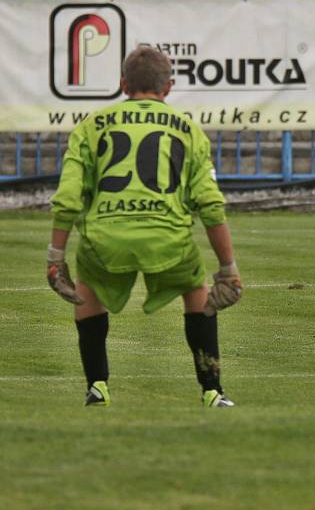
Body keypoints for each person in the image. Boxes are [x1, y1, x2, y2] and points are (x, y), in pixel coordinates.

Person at [47, 46, 243, 408]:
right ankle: (212, 390)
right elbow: (210, 205)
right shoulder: (188, 130)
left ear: (123, 84)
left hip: (106, 237)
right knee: (197, 293)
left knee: (87, 288)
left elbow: (69, 197)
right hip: (166, 238)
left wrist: (55, 256)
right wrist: (228, 269)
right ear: (167, 87)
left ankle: (98, 386)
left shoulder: (90, 127)